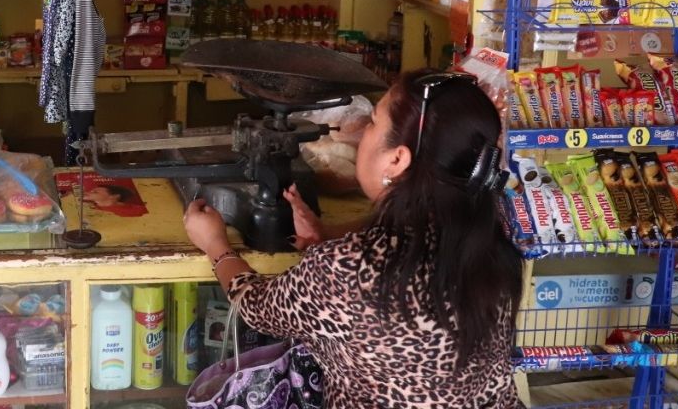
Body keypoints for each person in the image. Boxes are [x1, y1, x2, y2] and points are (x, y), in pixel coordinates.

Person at [183, 70, 524, 408]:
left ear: (397, 159)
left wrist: (215, 244)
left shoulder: (348, 269)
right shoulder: (492, 244)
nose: (363, 133)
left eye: (373, 122)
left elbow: (257, 308)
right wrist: (330, 235)